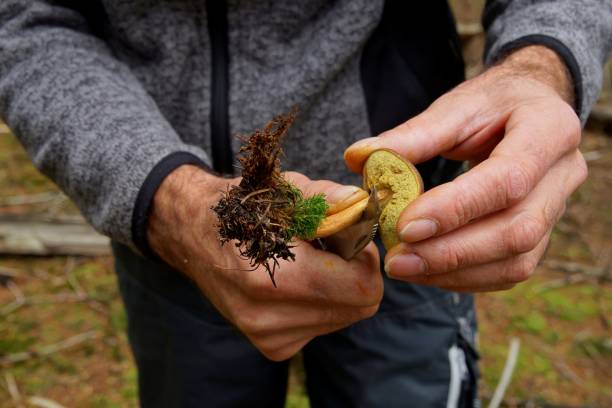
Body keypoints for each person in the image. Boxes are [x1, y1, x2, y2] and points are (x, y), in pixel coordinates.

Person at [1, 0, 610, 406]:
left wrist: (542, 66)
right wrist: (164, 197)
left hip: (412, 242)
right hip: (173, 228)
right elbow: (24, 18)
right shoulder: (171, 214)